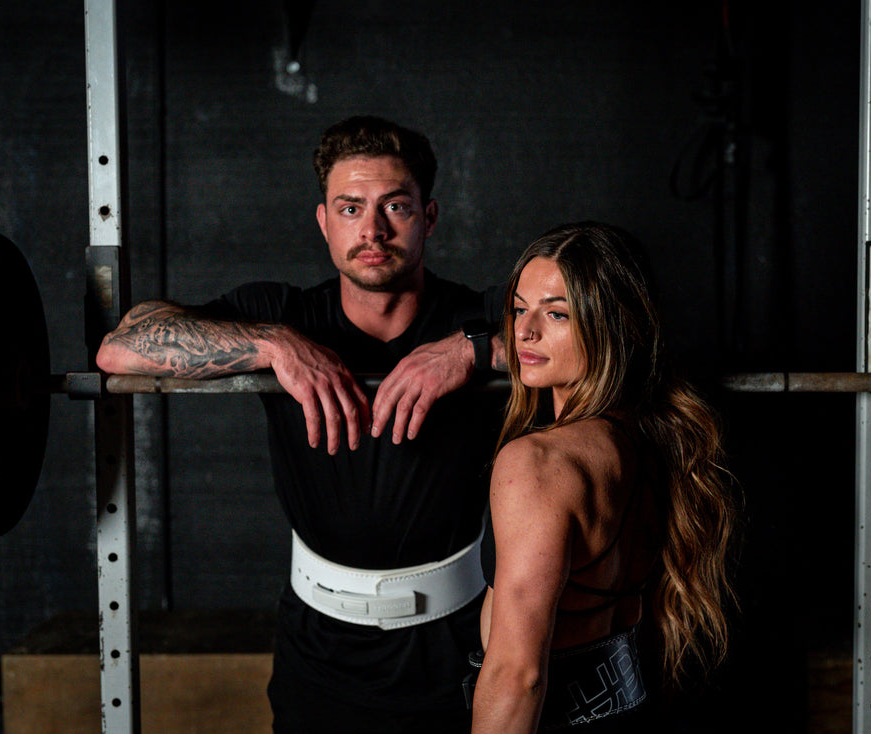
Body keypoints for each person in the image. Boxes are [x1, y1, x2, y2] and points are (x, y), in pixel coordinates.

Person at [95, 116, 507, 734]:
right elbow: (119, 349)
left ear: (430, 217)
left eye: (395, 205)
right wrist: (273, 343)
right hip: (316, 652)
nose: (372, 229)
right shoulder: (283, 313)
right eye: (349, 208)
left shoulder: (478, 315)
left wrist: (475, 349)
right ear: (323, 222)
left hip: (456, 645)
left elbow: (609, 336)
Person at [468, 222, 738, 733]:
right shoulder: (653, 440)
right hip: (629, 708)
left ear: (610, 326)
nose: (525, 331)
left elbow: (518, 674)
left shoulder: (538, 464)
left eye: (556, 314)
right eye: (520, 308)